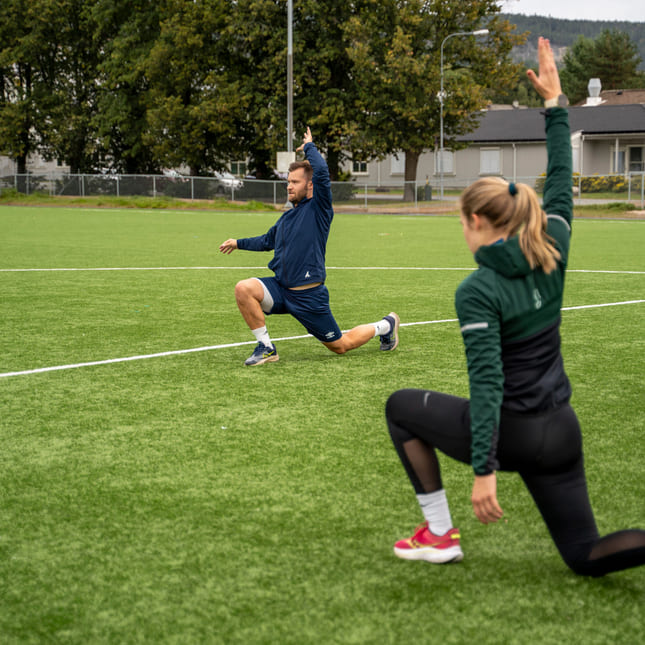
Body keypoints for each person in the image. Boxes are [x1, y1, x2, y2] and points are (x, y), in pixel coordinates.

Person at [385, 38, 645, 576]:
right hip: (563, 430)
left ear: (479, 223)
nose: (461, 230)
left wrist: (485, 469)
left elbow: (488, 385)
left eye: (462, 221)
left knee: (399, 408)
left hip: (519, 434)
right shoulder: (554, 242)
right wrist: (555, 105)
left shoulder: (477, 290)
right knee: (584, 555)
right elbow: (559, 186)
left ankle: (439, 534)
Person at [219, 127, 399, 365]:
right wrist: (238, 243)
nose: (289, 186)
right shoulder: (287, 218)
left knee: (340, 346)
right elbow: (266, 241)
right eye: (288, 182)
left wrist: (310, 147)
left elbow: (322, 172)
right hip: (281, 290)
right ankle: (266, 348)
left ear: (310, 185)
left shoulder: (319, 209)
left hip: (309, 298)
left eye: (295, 182)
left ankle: (386, 325)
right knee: (244, 288)